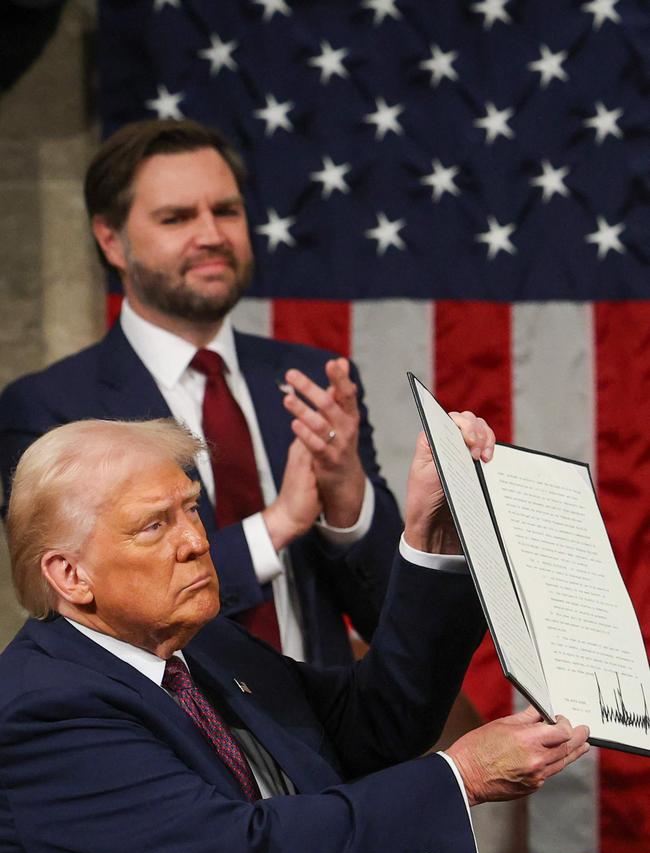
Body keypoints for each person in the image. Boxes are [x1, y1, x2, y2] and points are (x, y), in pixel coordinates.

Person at [0, 416, 589, 853]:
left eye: (191, 510)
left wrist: (430, 540)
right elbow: (237, 851)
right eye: (154, 525)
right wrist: (461, 778)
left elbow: (373, 723)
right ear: (70, 575)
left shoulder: (204, 647)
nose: (196, 542)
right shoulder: (44, 707)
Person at [0, 118, 403, 665]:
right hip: (170, 736)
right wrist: (276, 525)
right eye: (177, 217)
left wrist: (348, 500)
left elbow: (390, 614)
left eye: (227, 211)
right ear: (110, 241)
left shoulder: (313, 382)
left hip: (327, 737)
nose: (212, 234)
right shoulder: (52, 408)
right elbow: (72, 621)